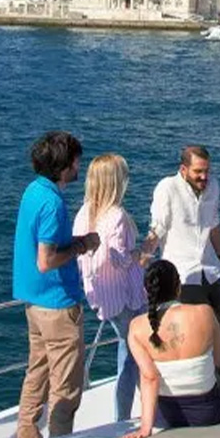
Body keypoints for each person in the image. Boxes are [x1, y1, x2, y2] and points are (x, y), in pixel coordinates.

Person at [13, 131, 99, 438]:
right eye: (76, 161)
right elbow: (46, 260)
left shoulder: (33, 191)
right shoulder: (53, 203)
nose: (79, 166)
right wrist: (83, 244)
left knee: (37, 371)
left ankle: (26, 436)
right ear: (64, 166)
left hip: (34, 303)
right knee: (66, 385)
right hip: (58, 304)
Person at [141, 145, 220, 380]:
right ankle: (196, 387)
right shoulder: (167, 188)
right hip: (183, 275)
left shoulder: (213, 187)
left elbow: (213, 224)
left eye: (207, 171)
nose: (204, 177)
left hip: (211, 271)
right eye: (198, 171)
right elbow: (158, 226)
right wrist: (145, 252)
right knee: (193, 335)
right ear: (183, 169)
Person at [72, 153, 145, 422]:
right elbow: (119, 257)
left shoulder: (84, 213)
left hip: (102, 295)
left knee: (128, 353)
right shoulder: (116, 216)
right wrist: (140, 254)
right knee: (133, 356)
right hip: (125, 296)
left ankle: (136, 410)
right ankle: (128, 415)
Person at [119, 260, 220, 438]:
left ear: (146, 291)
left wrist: (146, 428)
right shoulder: (205, 312)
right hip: (207, 413)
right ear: (178, 286)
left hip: (165, 417)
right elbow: (218, 360)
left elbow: (150, 378)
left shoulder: (136, 327)